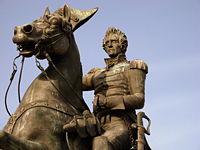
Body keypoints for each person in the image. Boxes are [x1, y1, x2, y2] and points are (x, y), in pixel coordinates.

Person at [82, 27, 148, 150]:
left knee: (100, 142)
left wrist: (107, 102)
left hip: (120, 124)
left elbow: (139, 99)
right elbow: (73, 83)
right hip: (95, 124)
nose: (109, 45)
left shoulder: (132, 67)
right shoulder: (97, 73)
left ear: (122, 45)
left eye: (114, 41)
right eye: (107, 43)